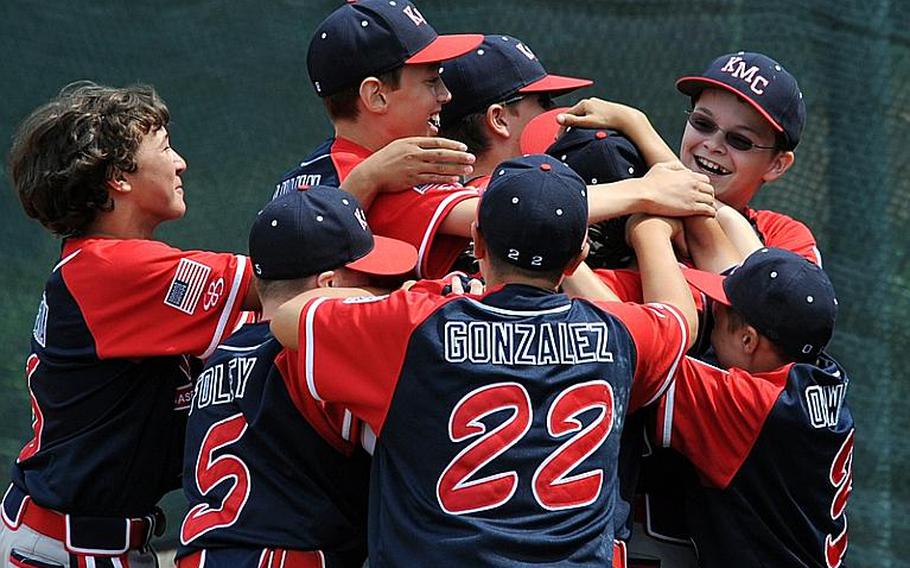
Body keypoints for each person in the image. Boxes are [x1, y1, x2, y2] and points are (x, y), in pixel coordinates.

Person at [270, 154, 699, 566]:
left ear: (476, 239)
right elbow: (682, 319)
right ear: (577, 258)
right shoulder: (622, 333)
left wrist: (413, 295)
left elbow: (287, 317)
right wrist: (651, 235)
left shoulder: (416, 325)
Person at [1, 82, 258, 566]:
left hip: (85, 539)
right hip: (64, 549)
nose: (180, 162)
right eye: (164, 148)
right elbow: (285, 277)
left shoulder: (103, 268)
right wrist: (362, 183)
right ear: (119, 176)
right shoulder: (113, 270)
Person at [176, 187, 418, 568]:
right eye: (370, 279)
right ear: (329, 286)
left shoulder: (221, 353)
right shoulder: (314, 356)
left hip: (200, 555)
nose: (382, 288)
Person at [670, 245, 852, 567]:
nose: (712, 314)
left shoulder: (751, 407)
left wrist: (647, 228)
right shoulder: (821, 375)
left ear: (749, 341)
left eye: (721, 313)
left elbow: (650, 347)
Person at [275, 0, 484, 279]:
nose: (446, 95)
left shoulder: (301, 175)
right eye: (431, 81)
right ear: (376, 95)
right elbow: (514, 219)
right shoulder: (392, 175)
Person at [559, 51, 821, 266]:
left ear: (778, 164)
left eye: (739, 140)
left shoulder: (784, 236)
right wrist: (643, 192)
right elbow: (539, 211)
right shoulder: (636, 189)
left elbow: (766, 301)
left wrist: (640, 128)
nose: (713, 145)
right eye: (702, 123)